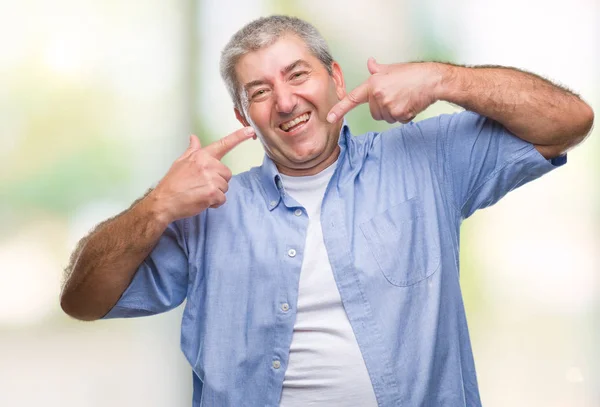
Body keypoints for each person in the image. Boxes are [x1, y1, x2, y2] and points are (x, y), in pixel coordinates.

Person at [60, 15, 594, 407]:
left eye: (297, 75)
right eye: (260, 91)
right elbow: (81, 301)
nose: (286, 102)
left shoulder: (425, 161)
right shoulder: (205, 212)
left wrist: (441, 78)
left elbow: (570, 120)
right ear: (242, 114)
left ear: (336, 78)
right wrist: (157, 206)